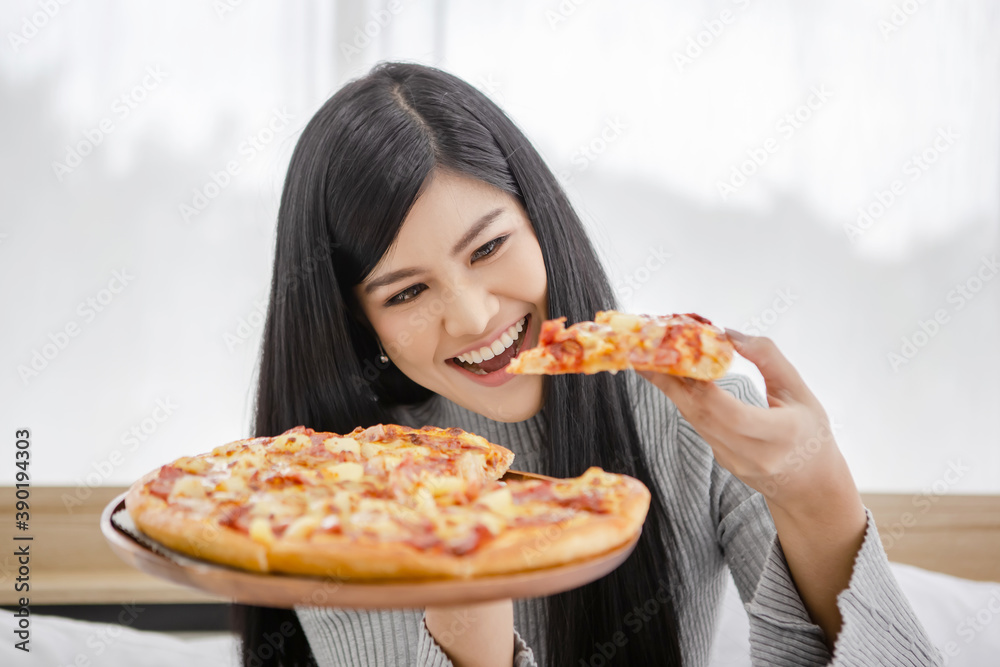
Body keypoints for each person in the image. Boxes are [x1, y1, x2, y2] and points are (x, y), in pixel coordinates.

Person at [234, 62, 941, 667]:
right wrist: (466, 579)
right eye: (409, 291)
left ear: (541, 222)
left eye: (488, 248)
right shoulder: (333, 492)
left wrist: (814, 485)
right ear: (361, 322)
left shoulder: (691, 418)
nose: (476, 317)